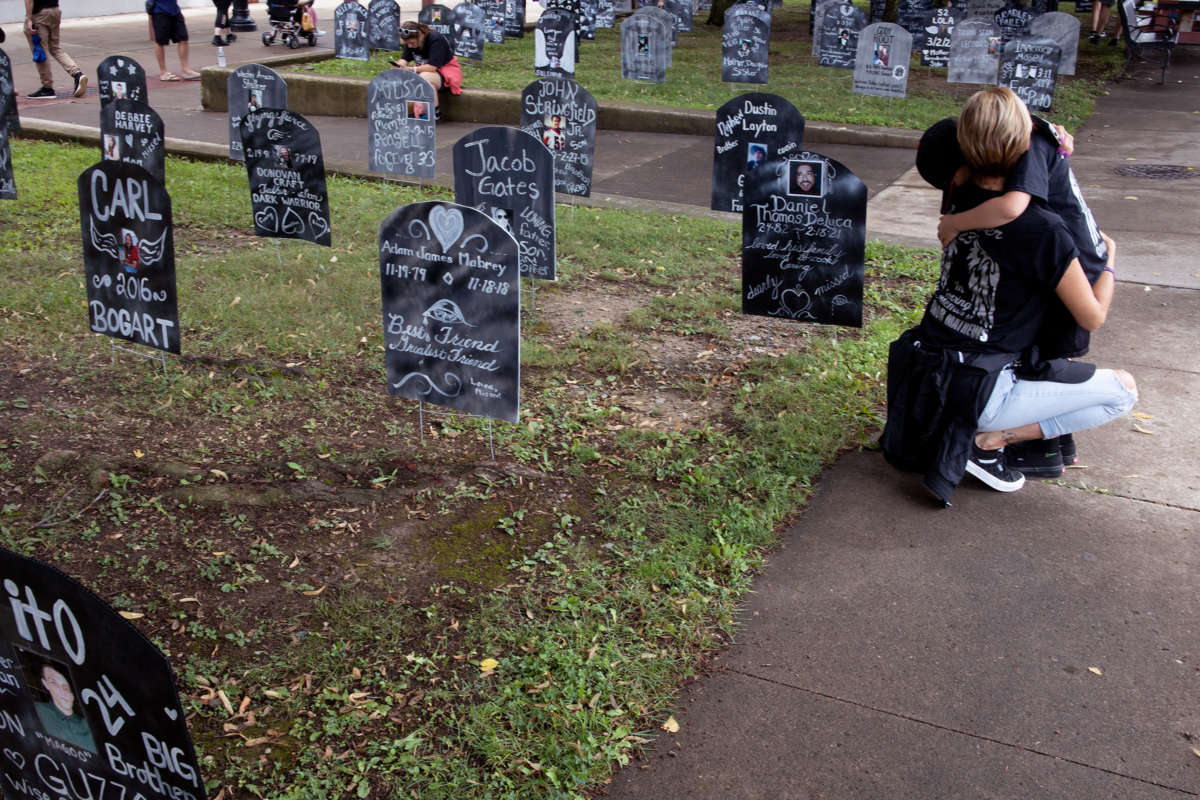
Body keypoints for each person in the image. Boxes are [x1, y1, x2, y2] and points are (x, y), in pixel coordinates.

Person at [882, 87, 1137, 505]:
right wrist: (1109, 262)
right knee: (1123, 391)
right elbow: (1092, 317)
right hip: (976, 392)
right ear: (1026, 145)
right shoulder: (1044, 230)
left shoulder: (957, 200)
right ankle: (991, 443)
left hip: (924, 373)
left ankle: (1005, 438)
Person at [921, 111, 1109, 477]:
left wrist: (955, 223)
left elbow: (1010, 208)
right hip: (1062, 250)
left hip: (1078, 257)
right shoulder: (1016, 138)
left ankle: (1035, 449)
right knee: (1038, 337)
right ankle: (1054, 445)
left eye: (952, 178)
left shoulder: (1029, 149)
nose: (957, 185)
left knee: (1055, 347)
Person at [389, 21, 462, 122]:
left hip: (446, 72)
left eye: (412, 43)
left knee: (423, 77)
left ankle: (430, 114)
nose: (409, 46)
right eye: (407, 44)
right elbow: (405, 59)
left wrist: (410, 69)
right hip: (425, 73)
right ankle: (433, 114)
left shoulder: (435, 39)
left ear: (420, 35)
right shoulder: (411, 42)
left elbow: (432, 67)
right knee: (422, 80)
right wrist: (398, 65)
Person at [23, 0, 87, 98]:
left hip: (40, 14)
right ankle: (77, 74)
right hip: (55, 10)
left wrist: (29, 18)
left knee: (40, 50)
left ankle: (47, 88)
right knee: (55, 48)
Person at [31, 661, 96, 752]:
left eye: (66, 687)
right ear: (45, 684)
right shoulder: (38, 710)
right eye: (53, 683)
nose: (62, 692)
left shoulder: (90, 727)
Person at [147, 0, 201, 81]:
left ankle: (186, 70)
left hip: (175, 10)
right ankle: (163, 72)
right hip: (159, 11)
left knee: (183, 38)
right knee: (160, 41)